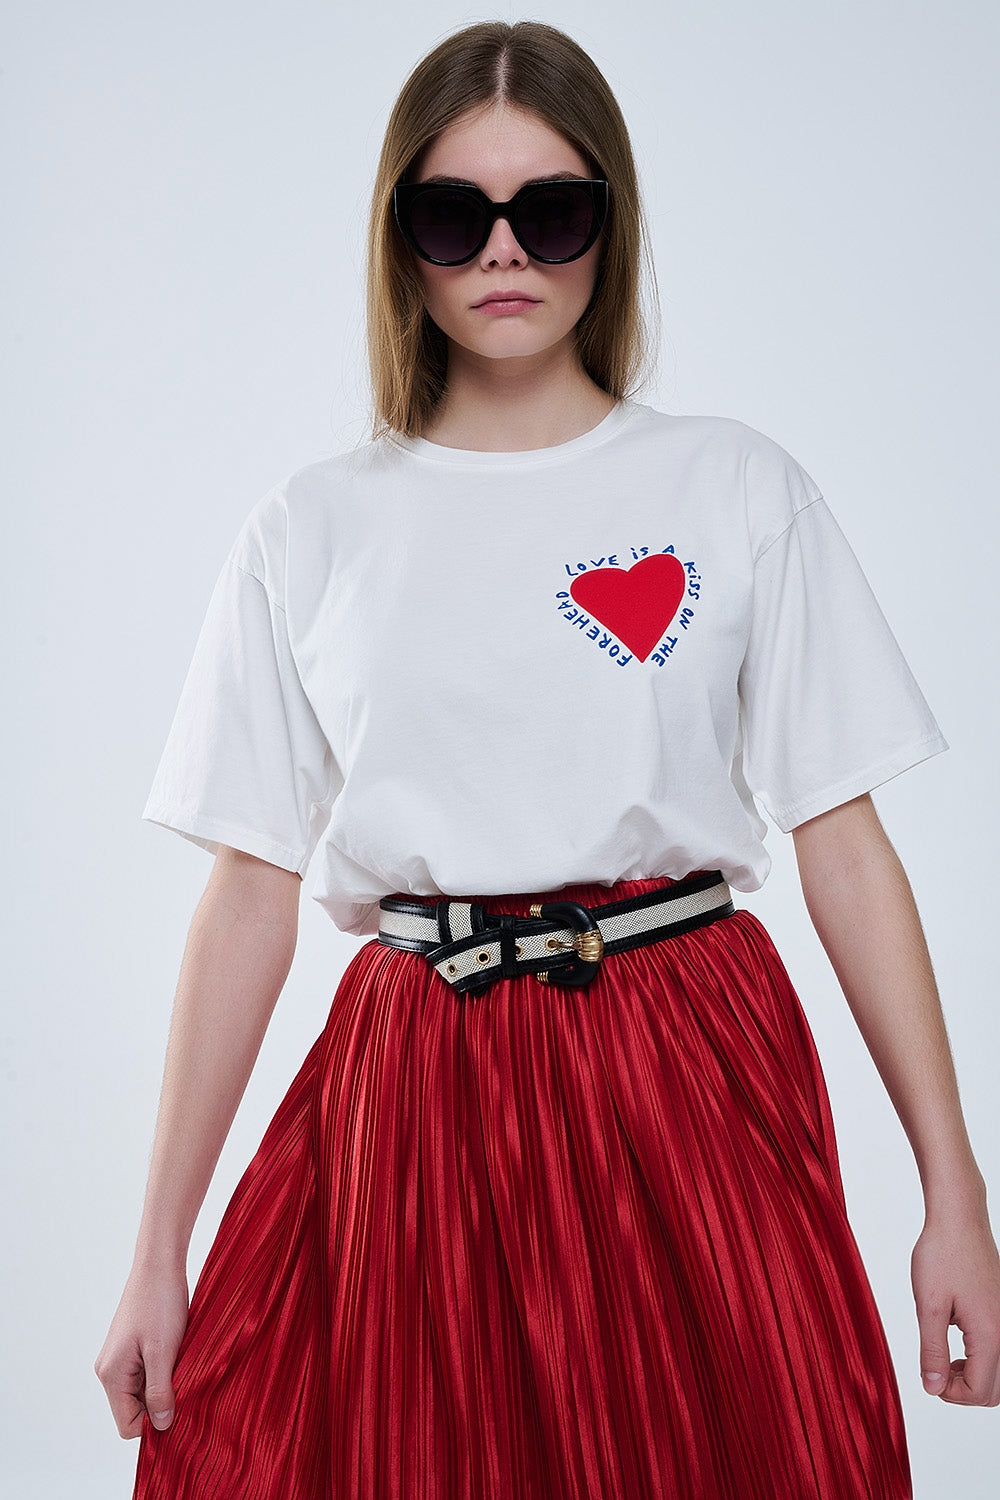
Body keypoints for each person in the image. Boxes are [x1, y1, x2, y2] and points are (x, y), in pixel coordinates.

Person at [95, 18, 1000, 1499]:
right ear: (400, 241)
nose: (504, 252)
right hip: (414, 1080)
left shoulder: (731, 485)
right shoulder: (312, 528)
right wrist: (157, 1252)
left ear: (610, 226)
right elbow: (250, 892)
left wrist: (954, 1195)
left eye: (553, 210)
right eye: (454, 215)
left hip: (683, 1048)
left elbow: (844, 845)